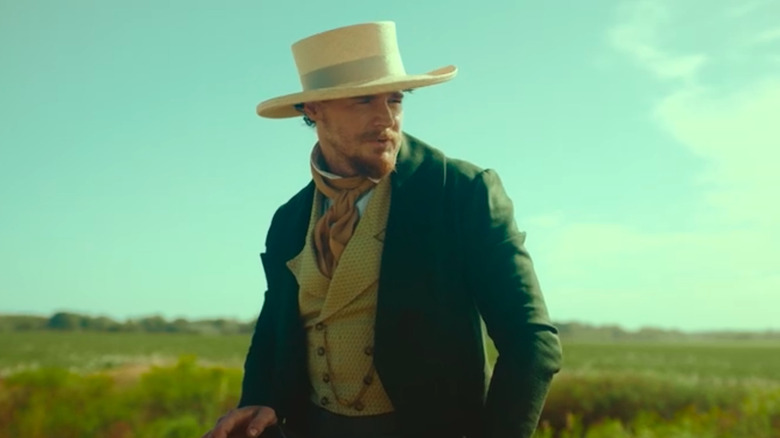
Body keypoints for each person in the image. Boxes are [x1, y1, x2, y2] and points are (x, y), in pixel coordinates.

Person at [203, 21, 562, 438]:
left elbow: (531, 341)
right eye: (363, 100)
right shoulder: (289, 218)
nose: (386, 117)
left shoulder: (460, 193)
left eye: (395, 99)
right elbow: (274, 329)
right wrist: (258, 399)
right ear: (313, 109)